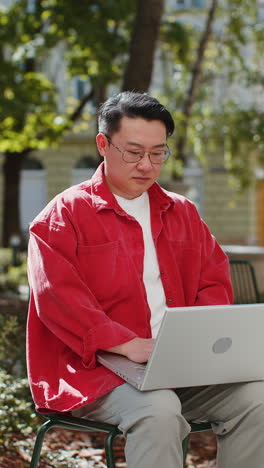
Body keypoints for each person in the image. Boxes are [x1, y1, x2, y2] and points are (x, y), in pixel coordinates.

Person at [27, 91, 264, 468]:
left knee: (259, 399)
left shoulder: (181, 211)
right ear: (103, 144)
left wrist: (194, 340)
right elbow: (57, 298)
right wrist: (125, 343)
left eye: (158, 153)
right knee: (159, 410)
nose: (147, 165)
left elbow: (214, 281)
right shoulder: (64, 214)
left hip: (179, 364)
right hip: (96, 370)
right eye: (134, 152)